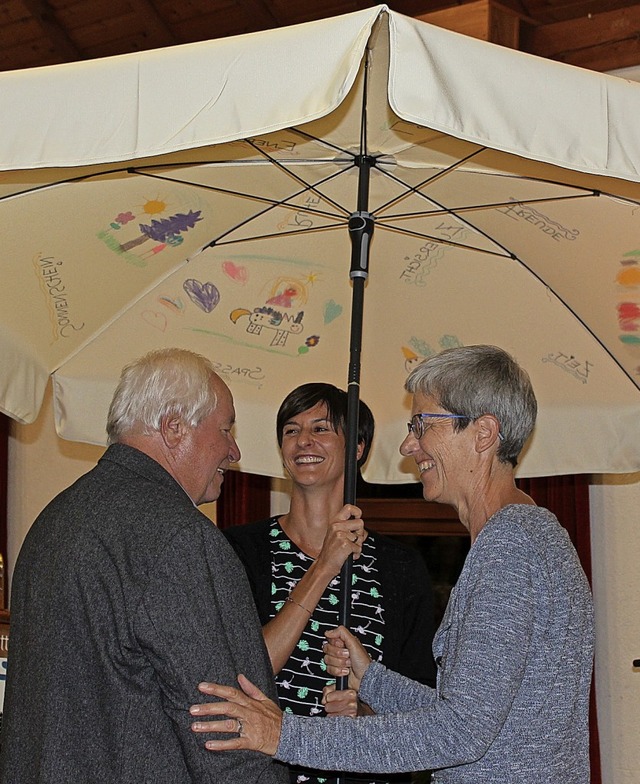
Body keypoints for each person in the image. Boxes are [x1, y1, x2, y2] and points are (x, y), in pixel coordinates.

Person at [189, 345, 595, 783]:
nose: (408, 445)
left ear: (483, 434)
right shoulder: (529, 536)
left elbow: (458, 733)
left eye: (422, 424)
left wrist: (282, 735)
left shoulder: (510, 548)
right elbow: (467, 712)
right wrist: (372, 679)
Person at [0, 348, 287, 784]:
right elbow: (228, 731)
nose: (234, 450)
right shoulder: (180, 538)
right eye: (225, 428)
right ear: (174, 428)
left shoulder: (54, 520)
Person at [223, 382, 436, 784]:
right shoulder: (239, 550)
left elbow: (426, 706)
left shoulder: (400, 567)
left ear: (357, 447)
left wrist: (367, 714)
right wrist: (324, 566)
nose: (303, 439)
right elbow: (243, 674)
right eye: (290, 429)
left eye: (321, 428)